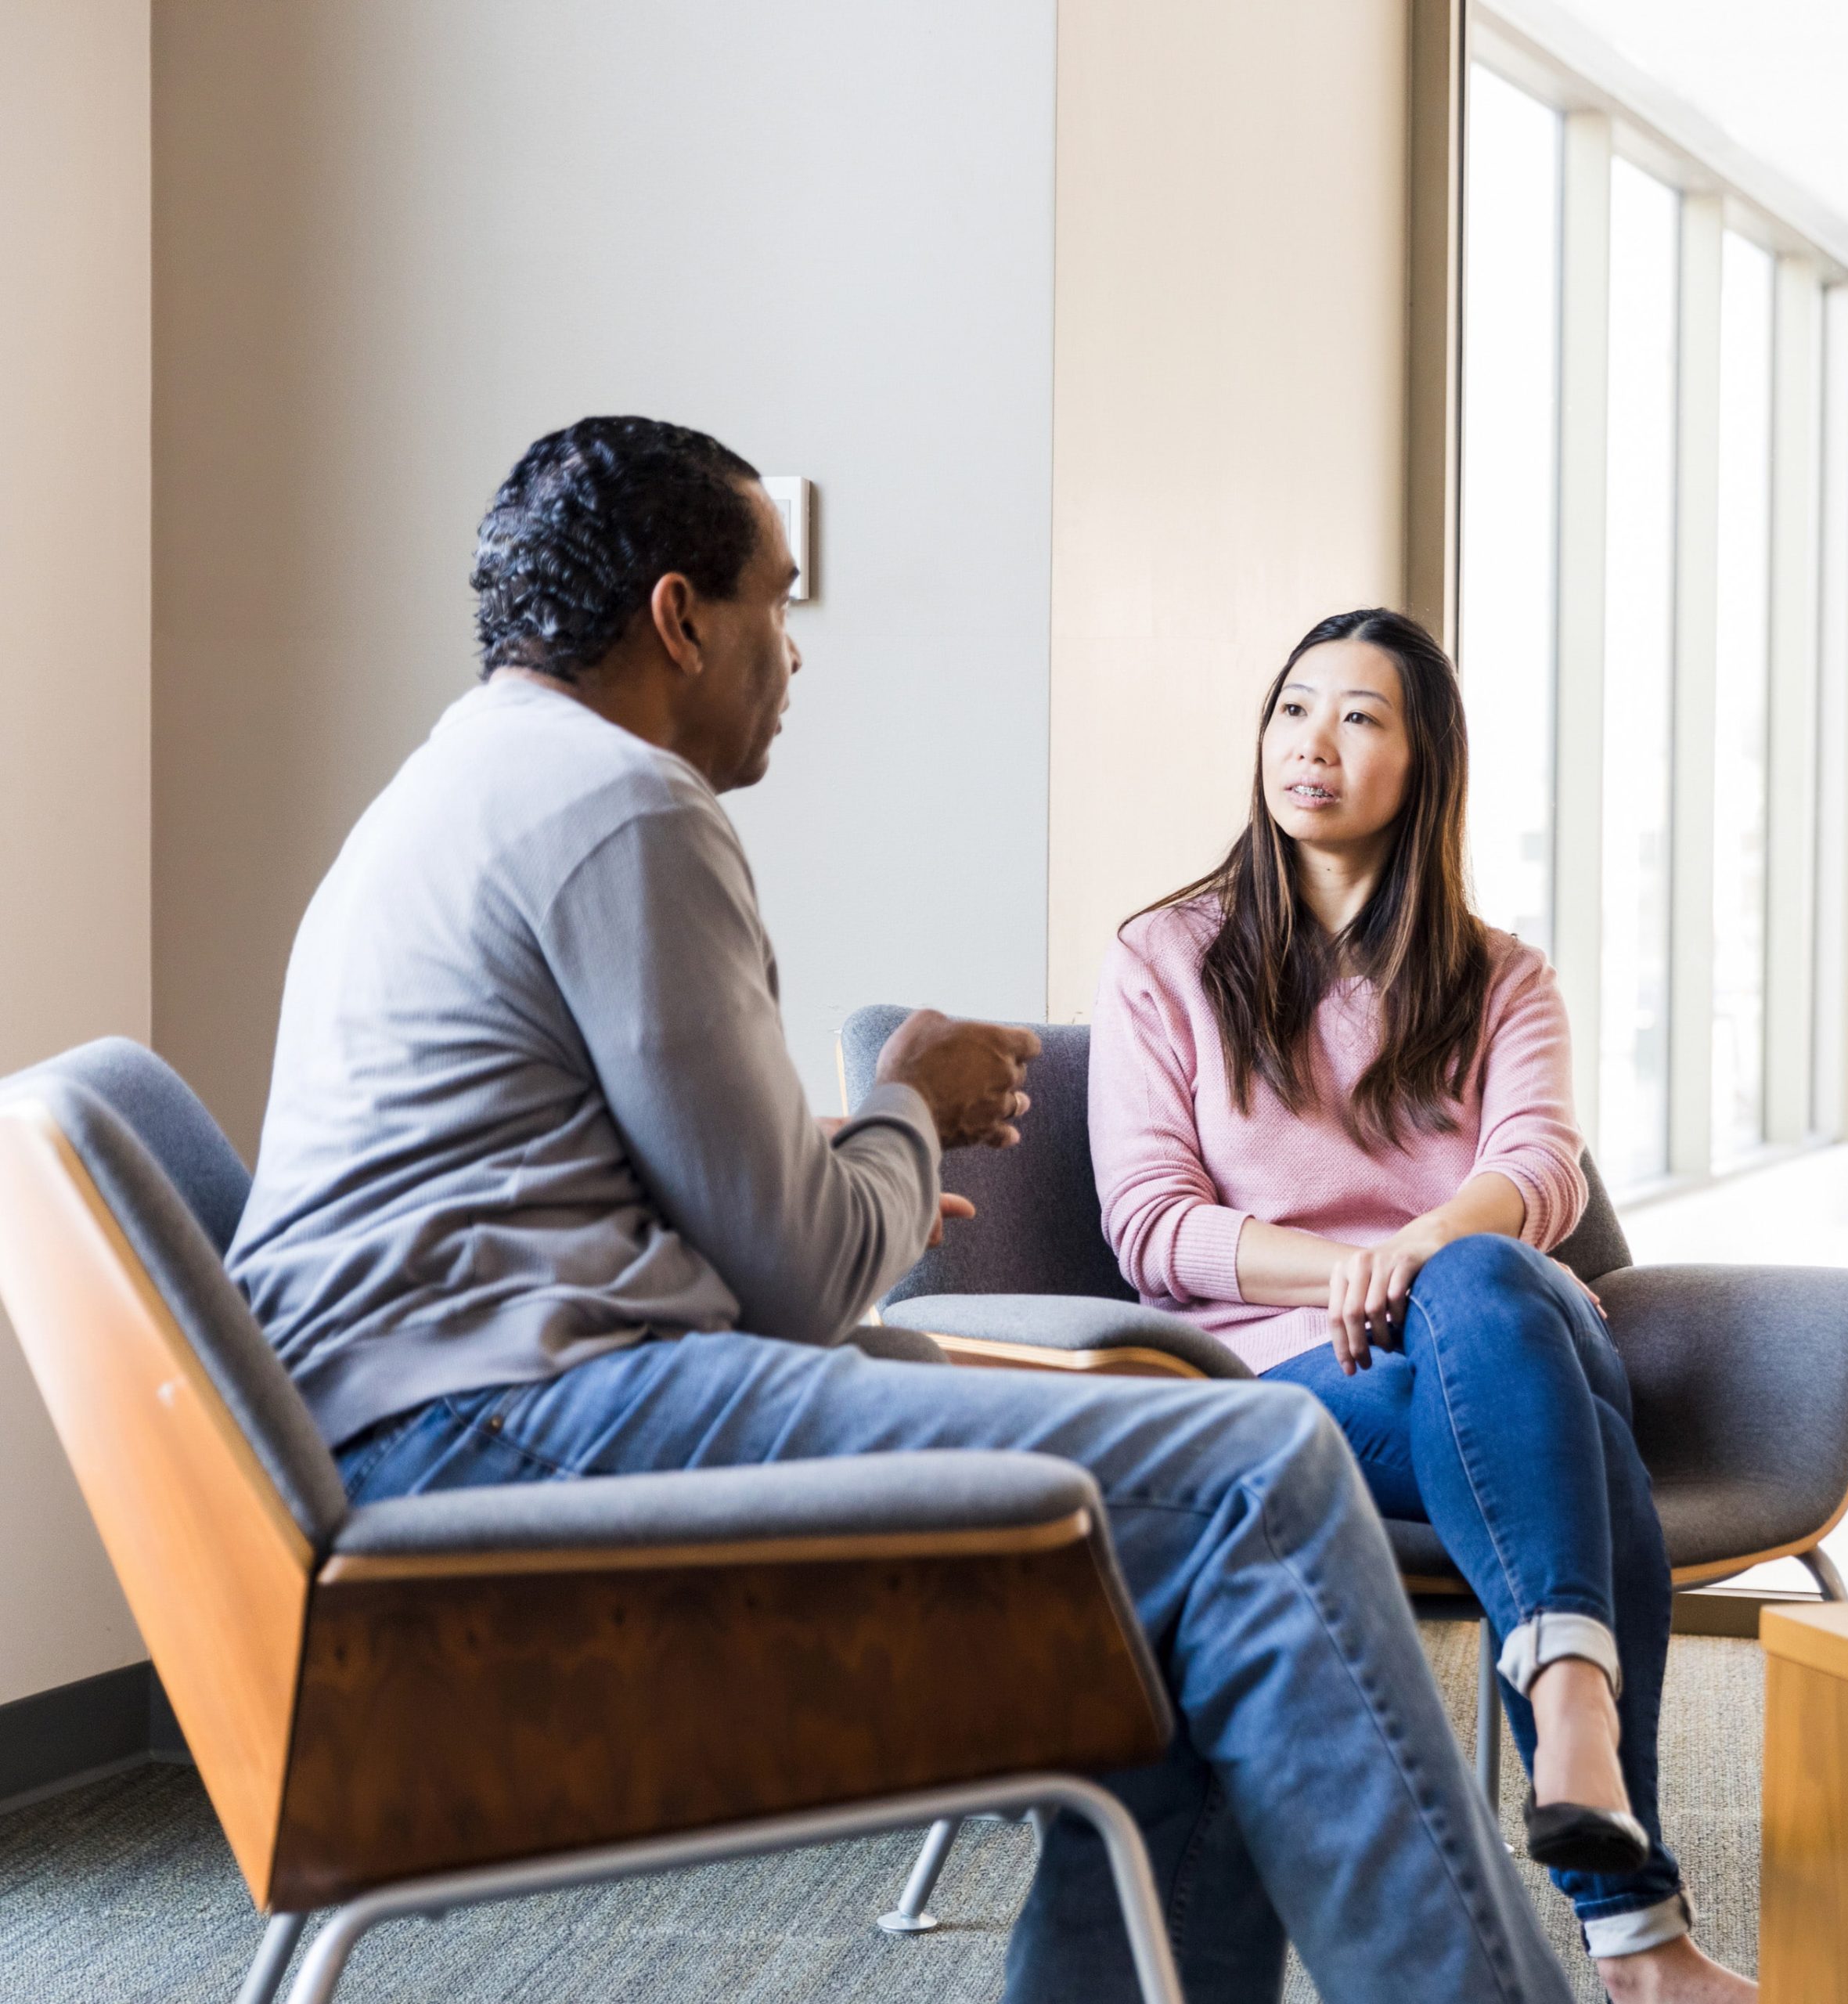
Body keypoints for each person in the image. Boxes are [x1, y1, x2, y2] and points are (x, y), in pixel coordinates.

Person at [229, 418, 1576, 2004]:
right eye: (775, 604)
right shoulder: (628, 806)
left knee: (1176, 1593)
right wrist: (908, 1102)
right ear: (680, 618)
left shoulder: (461, 782)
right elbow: (803, 1275)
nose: (792, 654)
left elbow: (573, 1178)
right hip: (501, 1436)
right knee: (1257, 1470)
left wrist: (823, 1149)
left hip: (421, 1423)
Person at [1089, 607, 1756, 2004]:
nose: (1312, 745)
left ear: (1424, 761)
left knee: (1485, 1278)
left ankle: (1615, 1860)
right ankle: (1627, 1896)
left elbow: (1539, 1171)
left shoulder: (1504, 977)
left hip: (1504, 1329)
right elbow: (1152, 1225)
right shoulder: (1166, 958)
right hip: (1296, 1379)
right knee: (1584, 1450)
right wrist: (1348, 1273)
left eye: (1359, 718)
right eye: (1292, 710)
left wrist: (1427, 1249)